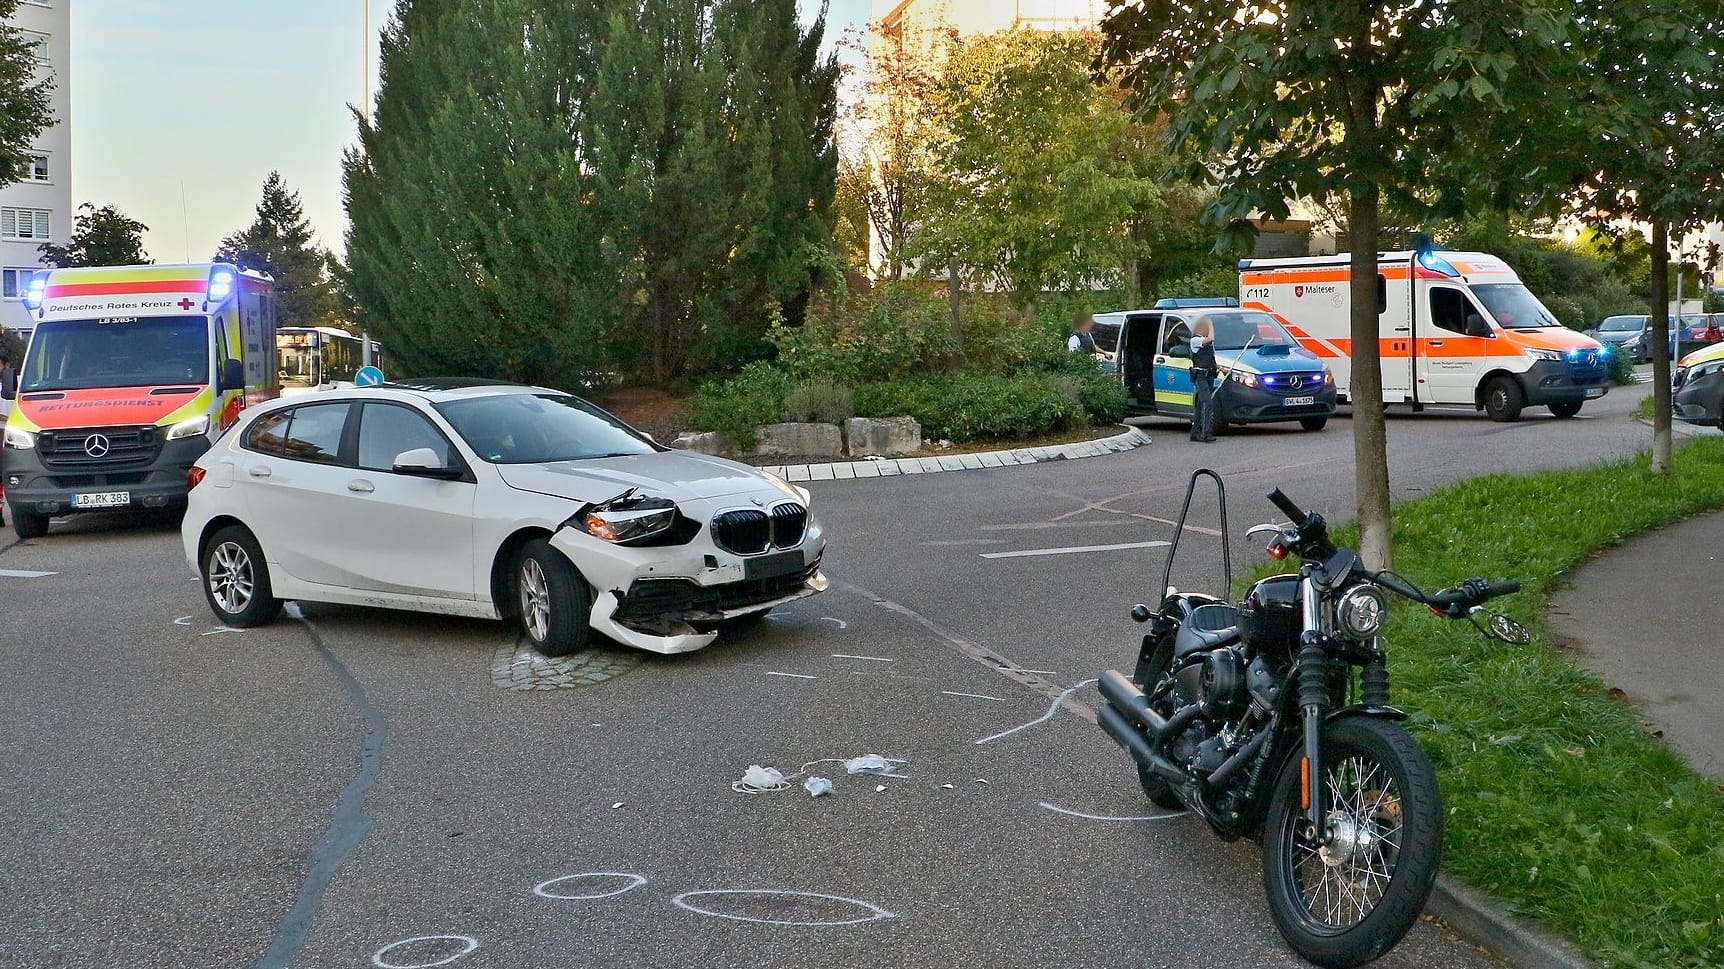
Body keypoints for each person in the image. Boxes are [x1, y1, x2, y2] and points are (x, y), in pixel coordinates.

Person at [1188, 317, 1217, 443]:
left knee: (1200, 404)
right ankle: (1206, 434)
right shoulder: (1195, 340)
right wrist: (1210, 324)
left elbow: (1211, 359)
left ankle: (1195, 433)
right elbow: (1210, 338)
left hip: (1209, 376)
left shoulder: (1209, 345)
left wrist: (1221, 368)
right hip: (1200, 377)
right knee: (1207, 403)